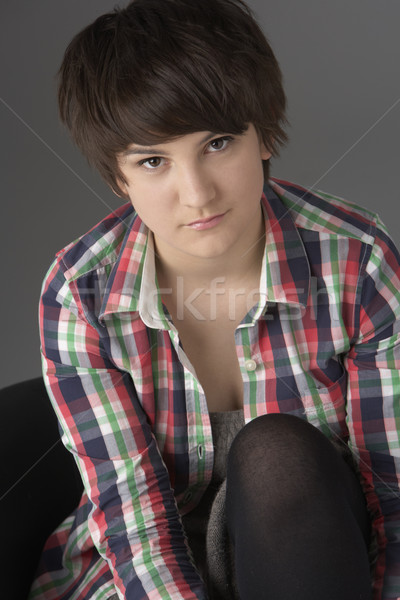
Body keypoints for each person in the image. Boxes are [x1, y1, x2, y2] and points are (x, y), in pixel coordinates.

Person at [29, 0, 400, 598]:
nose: (197, 193)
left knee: (277, 451)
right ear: (120, 178)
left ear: (263, 134)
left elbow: (393, 494)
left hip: (320, 560)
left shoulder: (356, 261)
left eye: (218, 143)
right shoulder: (81, 294)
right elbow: (134, 522)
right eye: (153, 161)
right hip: (146, 572)